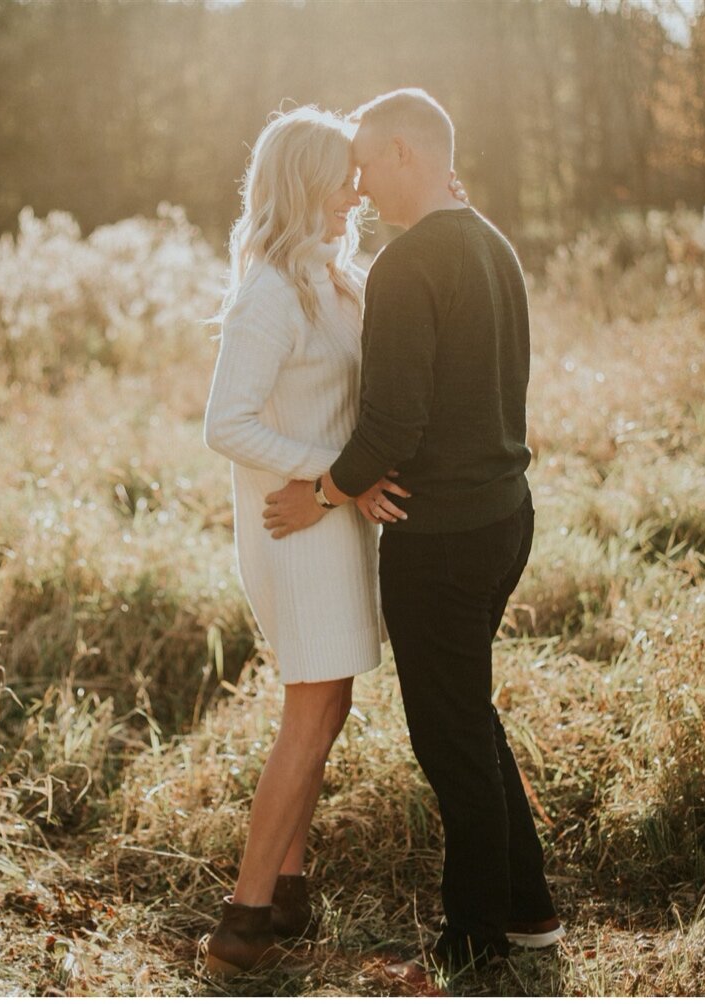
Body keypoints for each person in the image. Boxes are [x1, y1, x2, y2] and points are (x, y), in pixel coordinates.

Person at [262, 87, 563, 976]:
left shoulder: (407, 264)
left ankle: (473, 940)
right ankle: (529, 910)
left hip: (443, 537)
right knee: (468, 715)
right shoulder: (492, 243)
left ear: (403, 152)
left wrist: (324, 489)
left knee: (448, 733)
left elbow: (394, 423)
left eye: (363, 162)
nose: (356, 183)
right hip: (508, 517)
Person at [200, 104, 410, 976]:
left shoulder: (332, 275)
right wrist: (335, 474)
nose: (355, 193)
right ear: (300, 183)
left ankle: (289, 890)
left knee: (329, 707)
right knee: (311, 712)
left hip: (329, 519)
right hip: (296, 525)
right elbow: (226, 424)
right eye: (341, 178)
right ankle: (242, 921)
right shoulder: (269, 294)